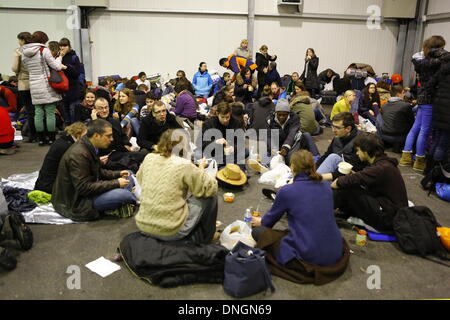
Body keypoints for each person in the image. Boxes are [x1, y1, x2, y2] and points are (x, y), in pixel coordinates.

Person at [251, 150, 349, 283]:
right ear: (313, 166)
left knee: (258, 232)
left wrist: (260, 221)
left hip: (309, 252)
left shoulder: (287, 191)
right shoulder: (326, 187)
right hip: (334, 249)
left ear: (292, 167)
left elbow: (268, 222)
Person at [135, 129, 218, 244]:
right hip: (171, 231)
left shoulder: (149, 158)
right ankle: (207, 237)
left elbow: (140, 179)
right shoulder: (183, 164)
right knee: (210, 195)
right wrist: (201, 169)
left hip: (143, 226)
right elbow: (209, 187)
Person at [51, 119, 137, 222]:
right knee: (126, 195)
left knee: (129, 173)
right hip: (77, 202)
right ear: (96, 136)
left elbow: (98, 171)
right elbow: (83, 188)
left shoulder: (89, 146)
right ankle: (119, 203)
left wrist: (117, 174)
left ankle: (118, 204)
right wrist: (116, 183)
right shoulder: (79, 155)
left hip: (87, 191)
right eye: (108, 136)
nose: (112, 139)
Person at [332, 133, 408, 232]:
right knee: (352, 185)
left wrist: (336, 182)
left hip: (388, 219)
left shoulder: (381, 168)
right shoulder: (384, 164)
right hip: (390, 212)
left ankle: (320, 210)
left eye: (358, 150)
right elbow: (364, 179)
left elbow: (348, 181)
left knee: (349, 188)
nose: (357, 153)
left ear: (366, 151)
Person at [400, 35, 447, 172]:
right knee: (424, 130)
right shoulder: (437, 63)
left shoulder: (421, 61)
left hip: (421, 97)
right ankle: (419, 159)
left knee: (416, 128)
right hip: (430, 99)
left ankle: (406, 156)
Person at [22, 31, 66, 146]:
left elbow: (26, 67)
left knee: (38, 113)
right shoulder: (43, 50)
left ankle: (41, 139)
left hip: (34, 85)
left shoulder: (24, 52)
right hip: (46, 85)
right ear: (43, 40)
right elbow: (56, 66)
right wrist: (60, 57)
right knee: (50, 112)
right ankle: (51, 139)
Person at [34, 122, 87, 194]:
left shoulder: (63, 140)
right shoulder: (68, 147)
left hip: (44, 183)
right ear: (78, 134)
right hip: (51, 187)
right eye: (85, 135)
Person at [265, 99, 319, 166]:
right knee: (266, 159)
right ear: (276, 113)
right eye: (279, 115)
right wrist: (273, 148)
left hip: (290, 145)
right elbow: (268, 136)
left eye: (284, 115)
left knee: (306, 135)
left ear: (288, 113)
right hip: (277, 146)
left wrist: (285, 148)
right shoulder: (271, 120)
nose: (281, 117)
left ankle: (316, 159)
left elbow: (292, 134)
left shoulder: (294, 118)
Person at [316, 112, 366, 181]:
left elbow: (353, 168)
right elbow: (326, 155)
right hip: (336, 170)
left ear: (348, 129)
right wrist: (313, 170)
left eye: (337, 128)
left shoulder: (360, 141)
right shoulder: (337, 137)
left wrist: (320, 177)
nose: (333, 130)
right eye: (332, 126)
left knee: (333, 157)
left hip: (350, 175)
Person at [197, 102, 247, 169]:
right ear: (217, 114)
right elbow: (200, 143)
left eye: (227, 117)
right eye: (222, 117)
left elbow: (240, 142)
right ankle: (226, 164)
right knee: (197, 153)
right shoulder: (209, 123)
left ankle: (218, 164)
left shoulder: (236, 123)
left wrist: (233, 148)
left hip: (228, 152)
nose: (225, 120)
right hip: (213, 151)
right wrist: (216, 142)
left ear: (230, 114)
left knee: (246, 151)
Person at [427, 44, 450, 164]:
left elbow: (429, 86)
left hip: (438, 109)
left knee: (436, 140)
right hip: (448, 113)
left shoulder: (441, 71)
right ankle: (434, 173)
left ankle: (428, 169)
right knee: (443, 144)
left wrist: (438, 96)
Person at [12, 32, 35, 143]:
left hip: (24, 84)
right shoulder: (35, 50)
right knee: (37, 111)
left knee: (29, 111)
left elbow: (15, 69)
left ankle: (32, 135)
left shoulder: (19, 52)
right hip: (36, 83)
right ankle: (40, 135)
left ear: (22, 40)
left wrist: (16, 55)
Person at [377, 85, 415, 153]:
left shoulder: (384, 106)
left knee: (379, 117)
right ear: (398, 94)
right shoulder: (406, 106)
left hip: (385, 135)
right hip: (401, 136)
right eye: (403, 92)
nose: (404, 95)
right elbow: (412, 123)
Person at [59, 38, 82, 126]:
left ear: (69, 47)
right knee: (66, 114)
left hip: (73, 89)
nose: (62, 48)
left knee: (73, 113)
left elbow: (77, 73)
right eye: (60, 46)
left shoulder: (74, 57)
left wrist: (66, 67)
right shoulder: (59, 57)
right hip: (62, 90)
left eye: (65, 46)